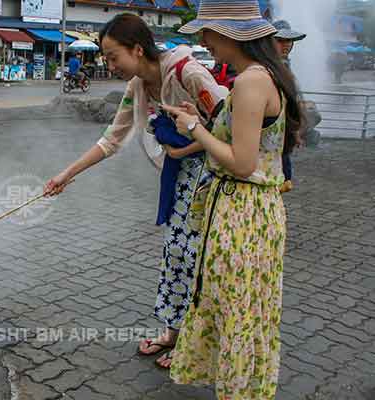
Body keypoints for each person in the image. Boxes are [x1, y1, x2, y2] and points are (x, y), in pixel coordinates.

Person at [44, 13, 227, 369]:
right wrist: (66, 174)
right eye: (106, 58)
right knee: (175, 254)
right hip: (177, 179)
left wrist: (186, 148)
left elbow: (231, 126)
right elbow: (112, 139)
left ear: (137, 49)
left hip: (210, 178)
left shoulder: (189, 73)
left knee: (196, 259)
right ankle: (173, 332)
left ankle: (192, 344)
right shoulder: (139, 86)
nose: (109, 65)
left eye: (113, 56)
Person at [163, 0, 302, 398]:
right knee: (246, 309)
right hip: (254, 212)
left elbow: (242, 163)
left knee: (236, 309)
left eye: (206, 32)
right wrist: (204, 122)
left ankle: (238, 392)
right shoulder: (265, 75)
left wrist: (195, 129)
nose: (204, 40)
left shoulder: (250, 81)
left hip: (243, 212)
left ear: (227, 33)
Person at [272, 19, 307, 193]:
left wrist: (296, 130)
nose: (286, 45)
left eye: (289, 40)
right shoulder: (267, 67)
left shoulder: (284, 64)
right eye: (281, 40)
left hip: (284, 134)